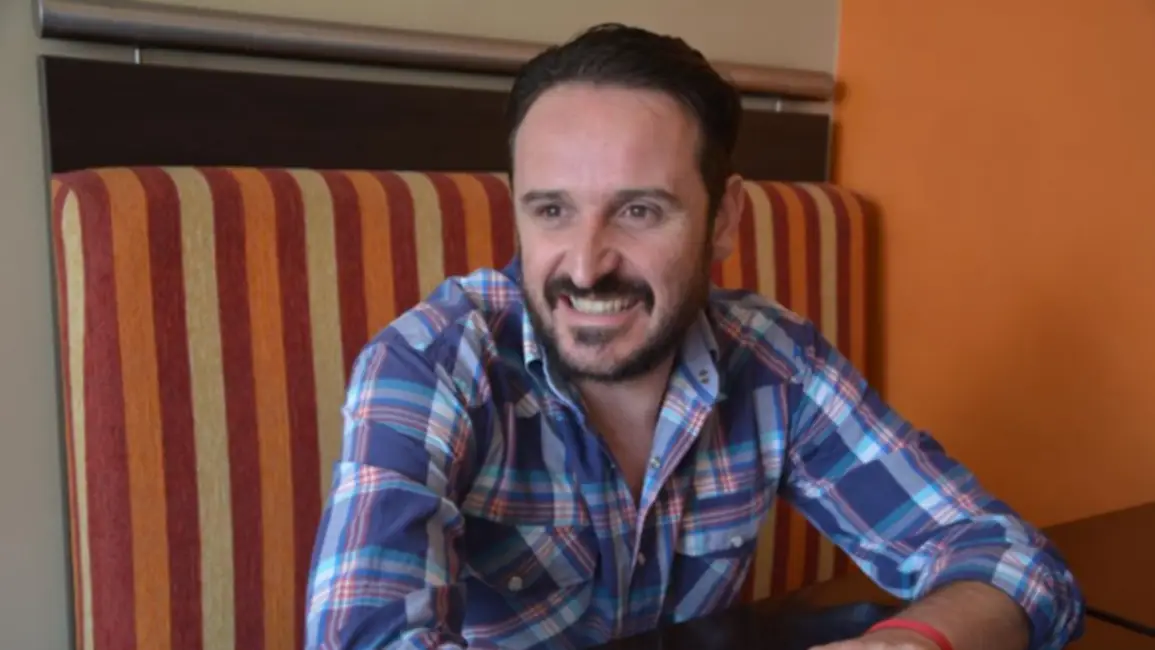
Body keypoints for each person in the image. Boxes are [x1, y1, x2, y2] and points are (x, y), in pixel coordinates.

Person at [304, 23, 1085, 650]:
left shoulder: (775, 361)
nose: (585, 264)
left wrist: (910, 642)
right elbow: (366, 636)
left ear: (724, 220)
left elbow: (1011, 561)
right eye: (552, 211)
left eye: (638, 210)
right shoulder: (431, 363)